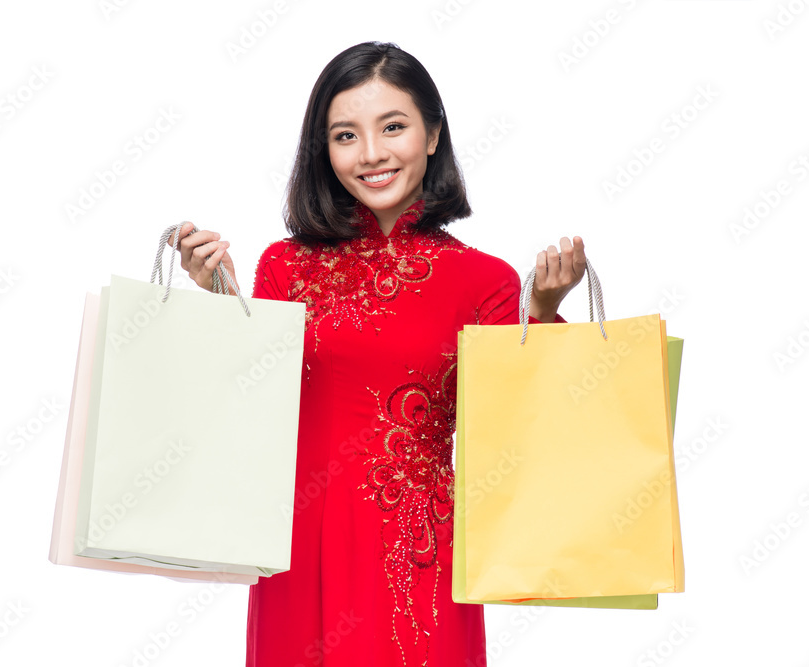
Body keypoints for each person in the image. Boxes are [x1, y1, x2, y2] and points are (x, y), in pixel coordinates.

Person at [169, 41, 586, 667]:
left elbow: (516, 431)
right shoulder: (284, 266)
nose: (371, 155)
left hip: (418, 550)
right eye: (345, 135)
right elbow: (254, 411)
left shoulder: (486, 281)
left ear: (434, 133)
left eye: (393, 127)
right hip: (298, 542)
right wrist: (224, 301)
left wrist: (544, 313)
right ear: (324, 149)